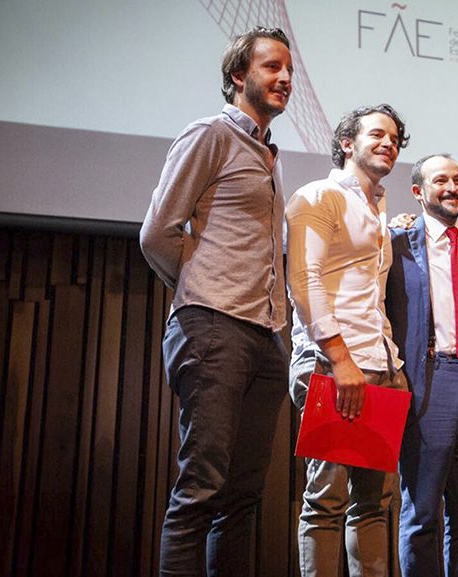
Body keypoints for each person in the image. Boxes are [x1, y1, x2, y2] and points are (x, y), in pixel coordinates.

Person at [139, 27, 293, 577]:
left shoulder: (269, 155)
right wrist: (201, 288)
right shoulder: (209, 134)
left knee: (244, 497)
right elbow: (158, 231)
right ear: (238, 76)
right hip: (213, 327)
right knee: (201, 489)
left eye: (289, 71)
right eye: (272, 67)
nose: (285, 79)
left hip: (264, 335)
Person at [286, 104, 410, 577]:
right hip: (334, 363)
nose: (389, 143)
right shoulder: (317, 195)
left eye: (396, 138)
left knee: (374, 503)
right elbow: (304, 278)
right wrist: (340, 361)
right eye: (377, 134)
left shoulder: (375, 206)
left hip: (380, 364)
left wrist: (390, 367)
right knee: (327, 500)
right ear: (346, 144)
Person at [386, 154, 458, 576]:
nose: (452, 187)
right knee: (423, 514)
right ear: (418, 192)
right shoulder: (397, 244)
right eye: (440, 180)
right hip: (429, 378)